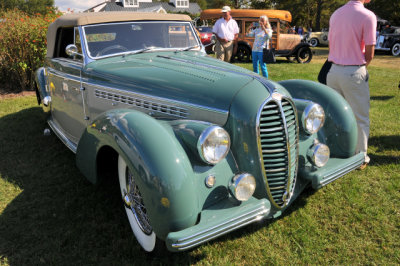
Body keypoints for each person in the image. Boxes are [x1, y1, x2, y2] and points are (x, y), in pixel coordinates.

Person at [326, 0, 377, 169]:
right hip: (353, 70)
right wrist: (360, 66)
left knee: (335, 115)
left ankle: (336, 150)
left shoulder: (336, 14)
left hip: (333, 71)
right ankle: (360, 156)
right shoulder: (368, 16)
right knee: (360, 117)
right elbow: (370, 53)